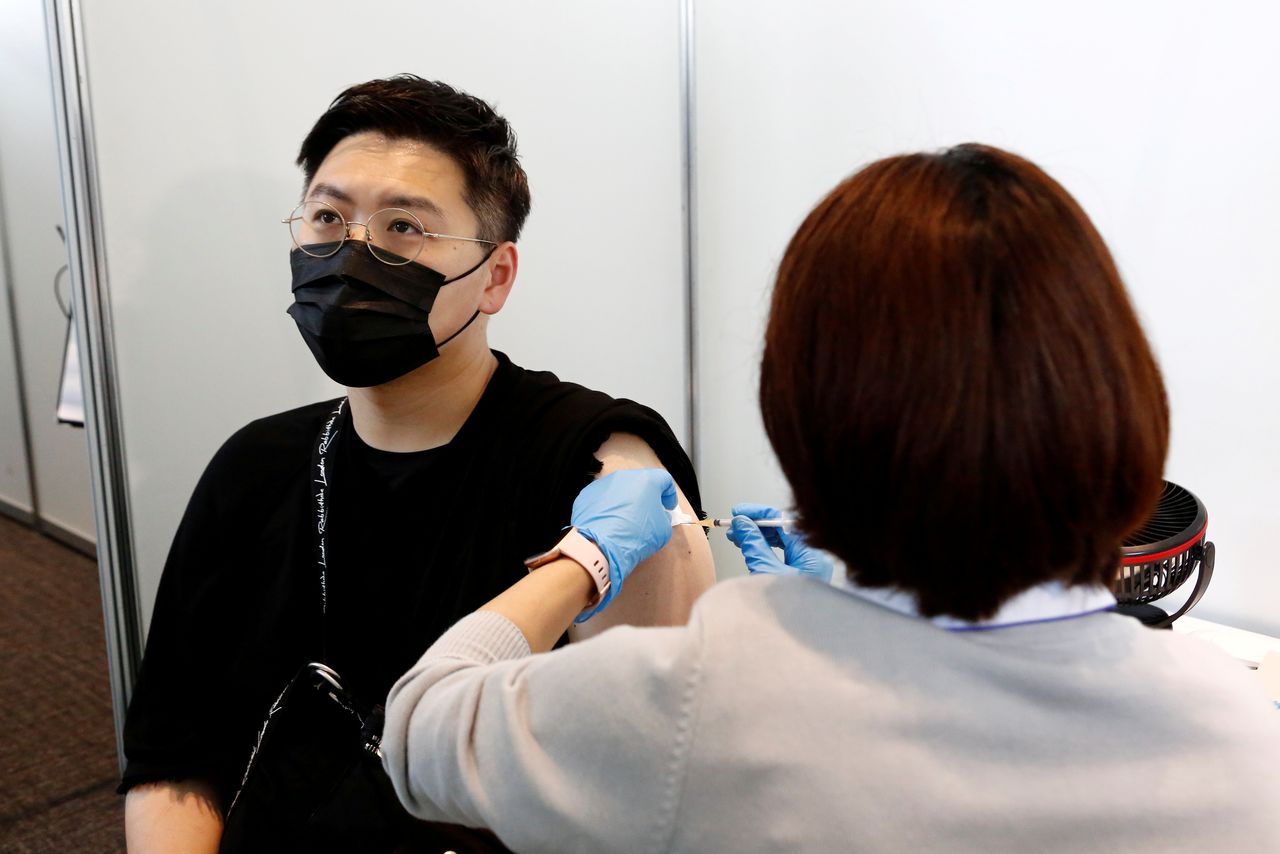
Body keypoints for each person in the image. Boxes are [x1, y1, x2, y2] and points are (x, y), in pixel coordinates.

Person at [380, 144, 1280, 852]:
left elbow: (419, 732)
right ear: (1118, 397)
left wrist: (583, 562)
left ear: (804, 410)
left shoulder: (704, 704)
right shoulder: (1241, 741)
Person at [120, 75, 714, 851]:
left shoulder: (596, 463)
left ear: (495, 276)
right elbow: (174, 757)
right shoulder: (255, 465)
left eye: (403, 227)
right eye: (328, 216)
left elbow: (644, 781)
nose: (351, 253)